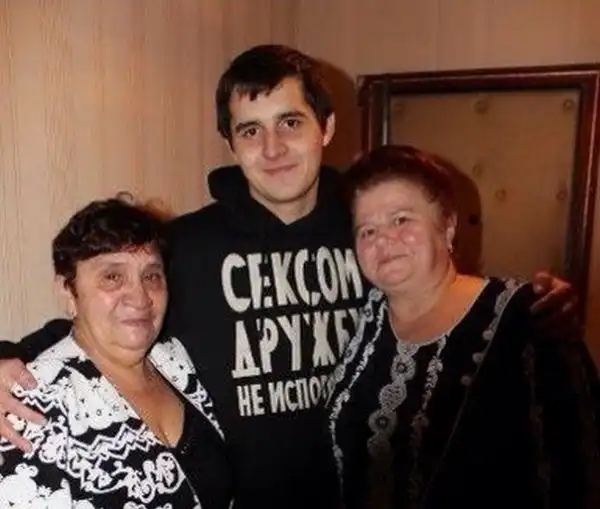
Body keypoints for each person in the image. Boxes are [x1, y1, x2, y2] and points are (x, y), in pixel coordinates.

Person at [0, 45, 580, 509]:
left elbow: (436, 300)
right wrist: (7, 357)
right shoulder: (189, 246)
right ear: (231, 143)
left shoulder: (365, 232)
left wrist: (531, 304)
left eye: (290, 122)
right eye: (250, 130)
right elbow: (110, 314)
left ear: (326, 127)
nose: (272, 148)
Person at [326, 145, 600, 509]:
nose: (383, 239)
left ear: (448, 226)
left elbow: (580, 468)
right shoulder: (364, 315)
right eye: (367, 230)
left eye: (401, 220)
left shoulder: (527, 316)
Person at [0, 199, 233, 508]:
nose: (140, 297)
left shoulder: (177, 362)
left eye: (151, 276)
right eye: (113, 276)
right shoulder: (28, 409)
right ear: (68, 291)